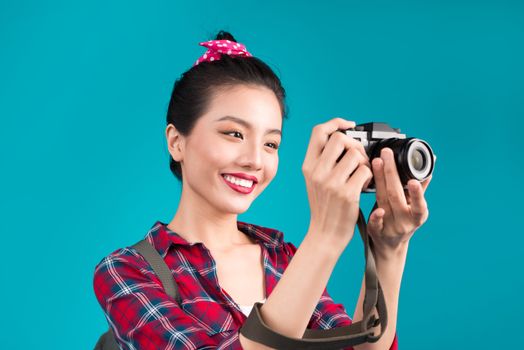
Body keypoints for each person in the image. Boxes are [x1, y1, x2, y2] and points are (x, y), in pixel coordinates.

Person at [93, 30, 432, 350]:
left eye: (271, 143)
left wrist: (389, 248)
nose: (255, 160)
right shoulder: (128, 270)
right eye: (234, 134)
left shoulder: (282, 257)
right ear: (176, 142)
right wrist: (325, 237)